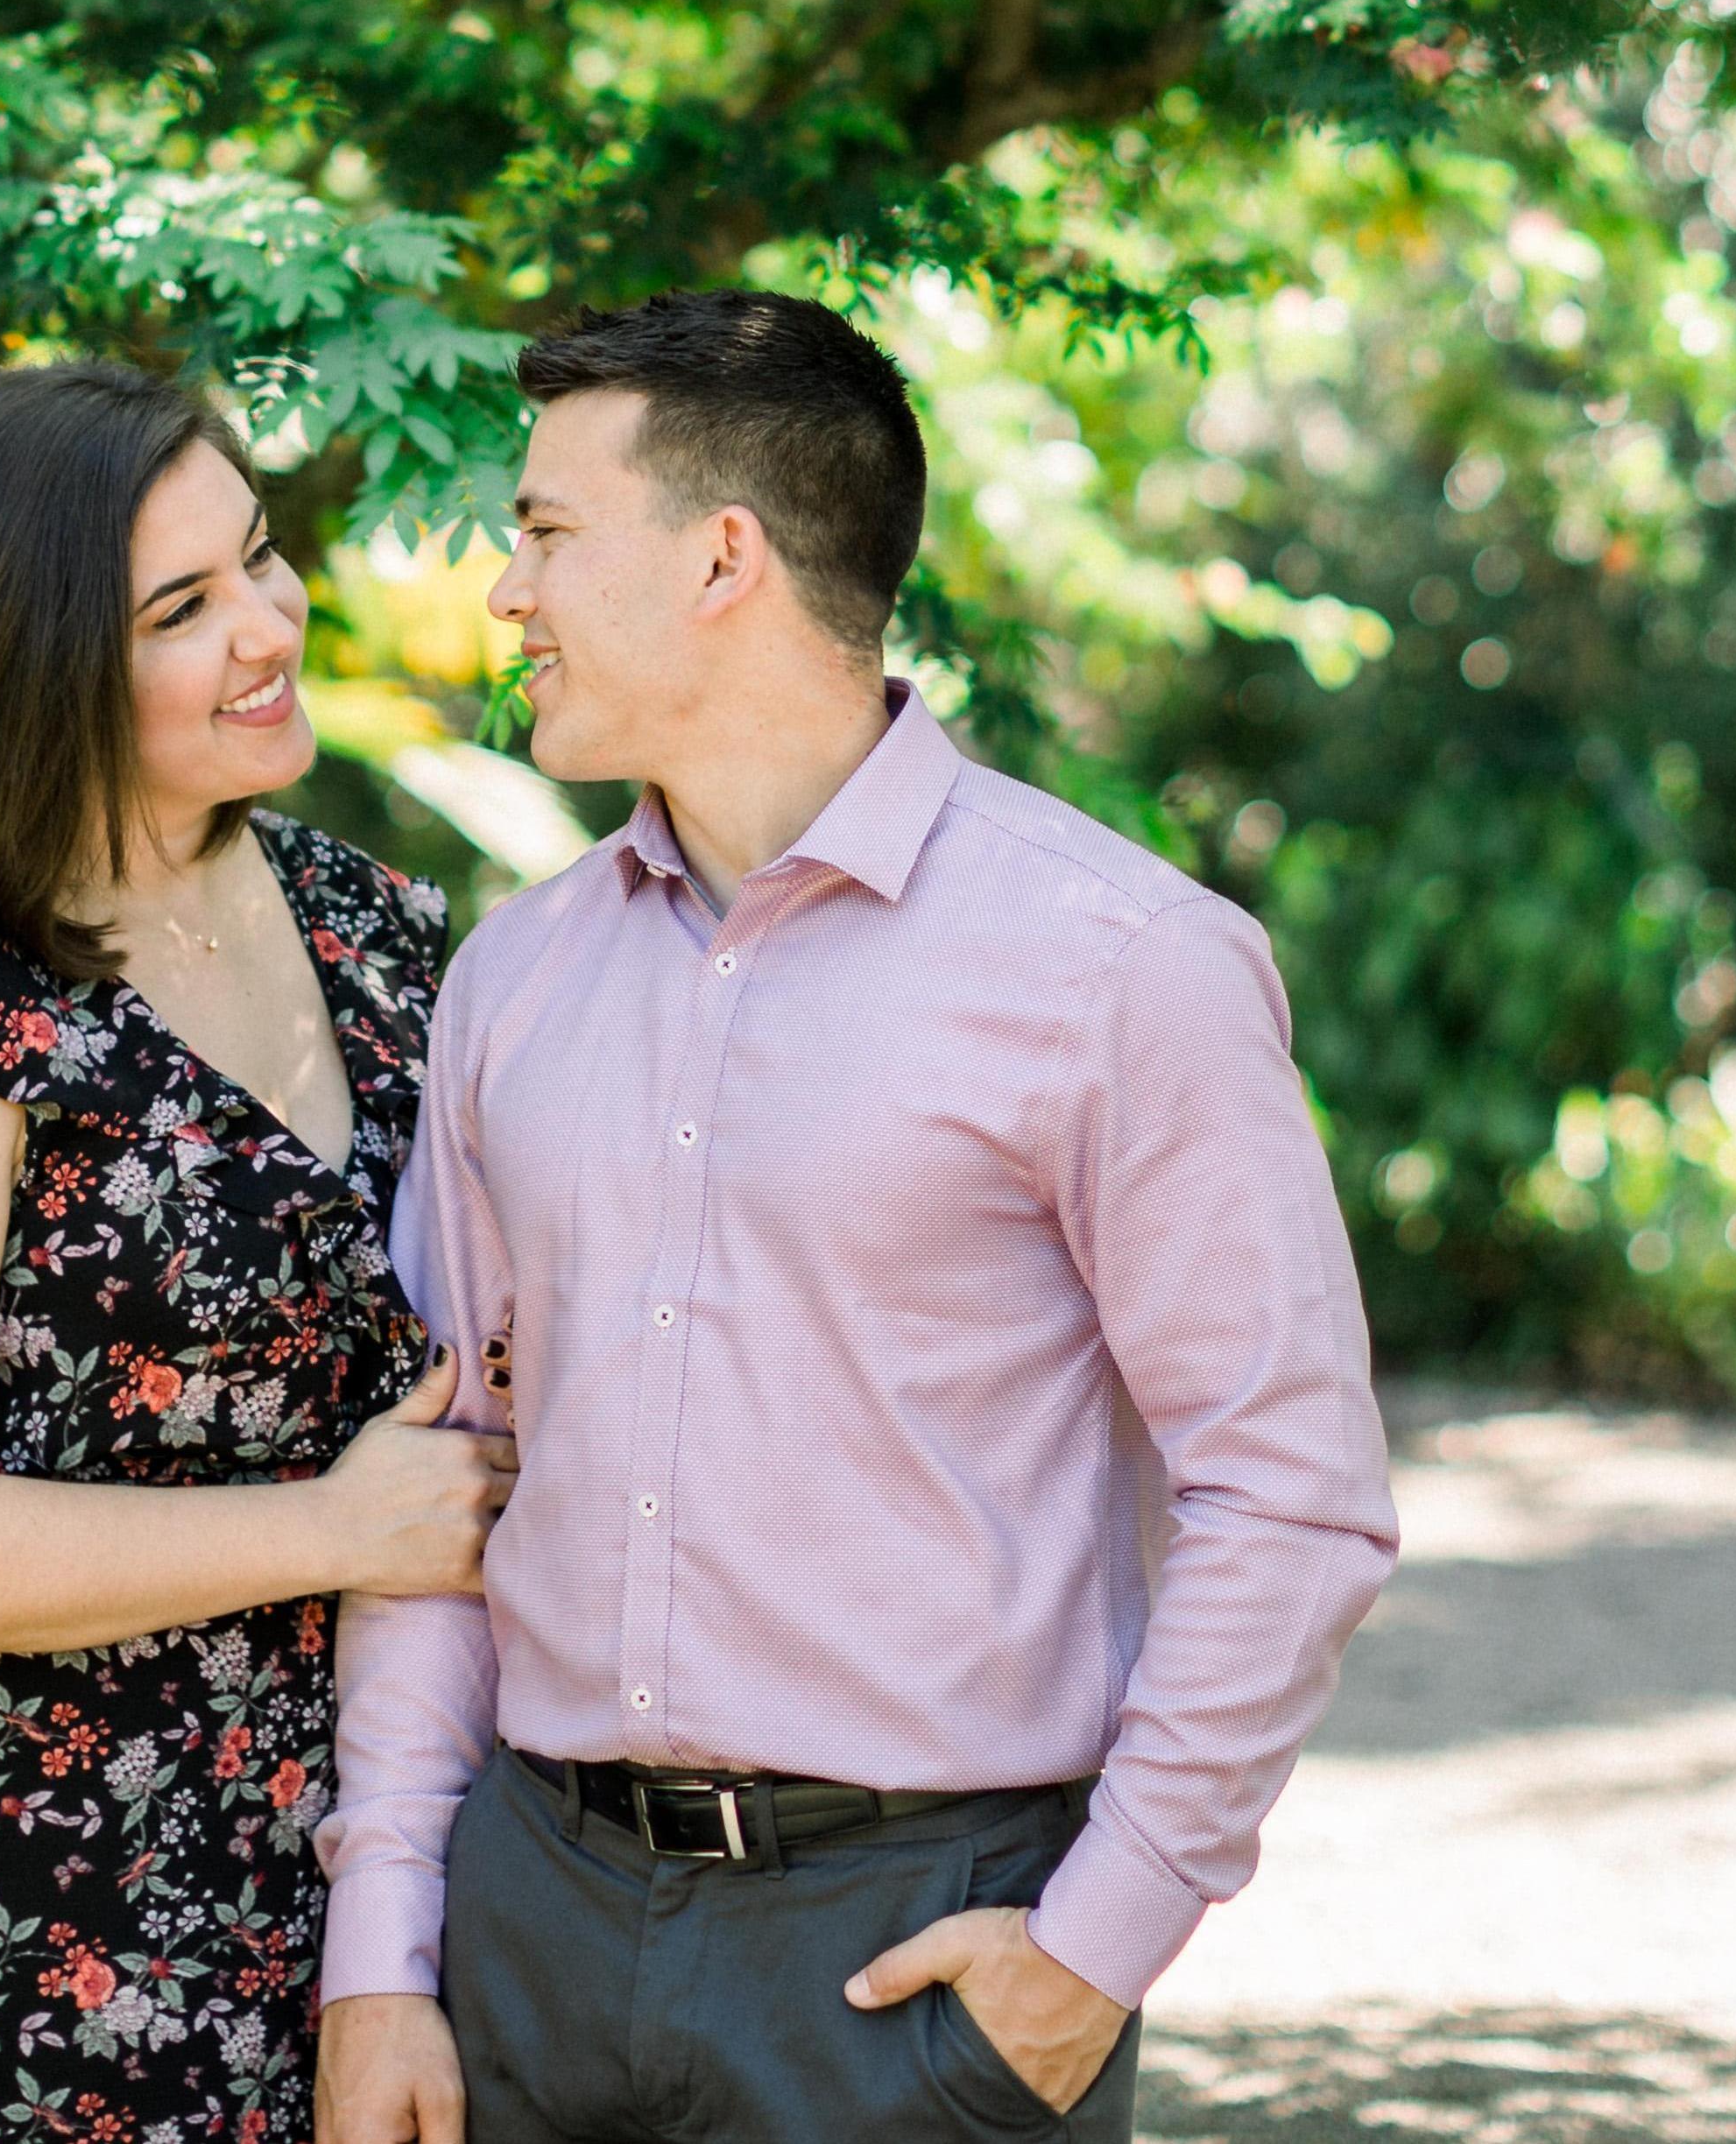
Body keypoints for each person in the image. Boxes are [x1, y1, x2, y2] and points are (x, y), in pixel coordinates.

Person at [314, 291, 1399, 2144]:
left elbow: (1288, 1497)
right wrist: (383, 1956)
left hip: (909, 1958)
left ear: (723, 556)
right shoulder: (513, 983)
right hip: (535, 1933)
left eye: (548, 531)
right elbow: (452, 1474)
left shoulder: (1125, 969)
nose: (507, 592)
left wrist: (1098, 1948)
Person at [0, 359, 516, 2144]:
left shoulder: (378, 928)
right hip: (60, 1925)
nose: (269, 625)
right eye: (183, 608)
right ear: (35, 670)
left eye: (259, 560)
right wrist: (327, 1531)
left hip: (402, 1873)